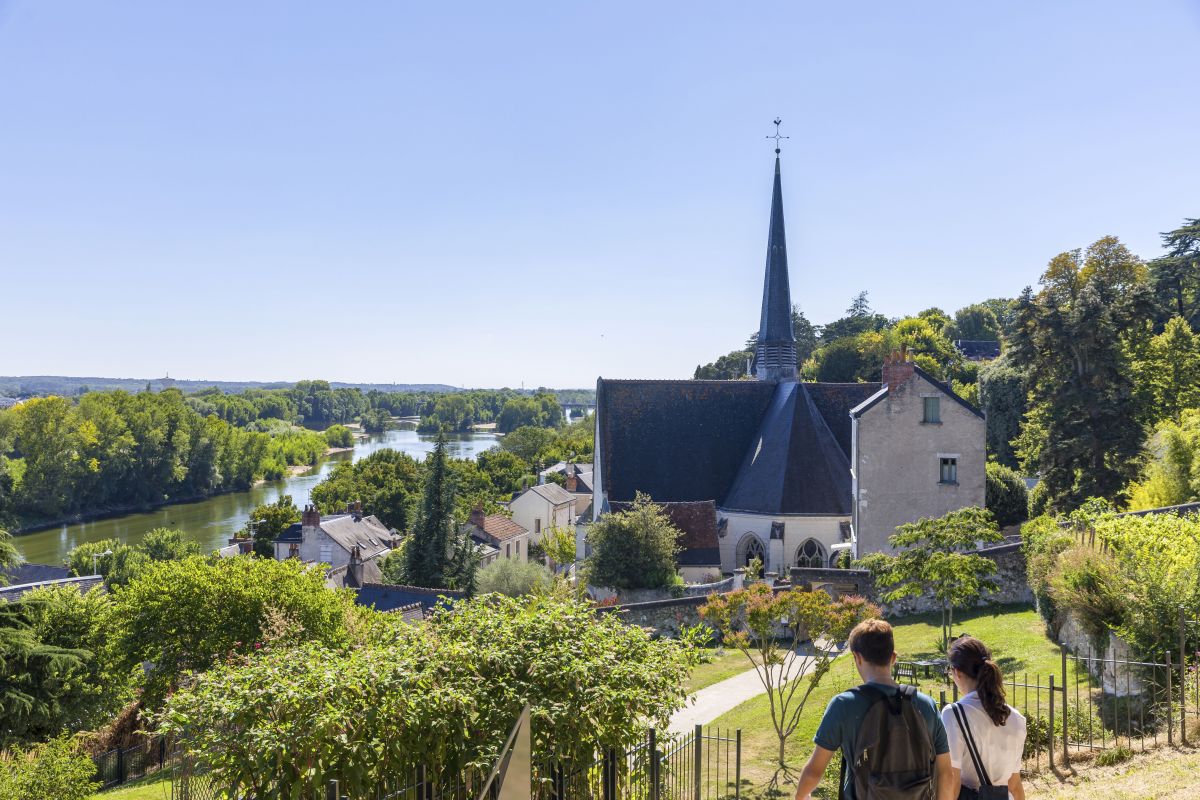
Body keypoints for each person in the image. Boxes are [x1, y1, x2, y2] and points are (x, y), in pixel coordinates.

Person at [795, 619, 954, 800]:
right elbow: (946, 775)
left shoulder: (843, 705)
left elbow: (814, 772)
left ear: (857, 657)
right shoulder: (926, 705)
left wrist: (801, 795)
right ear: (893, 657)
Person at [940, 636, 1027, 800]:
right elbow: (1014, 784)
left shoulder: (954, 714)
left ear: (956, 672)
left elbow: (952, 782)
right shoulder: (1017, 719)